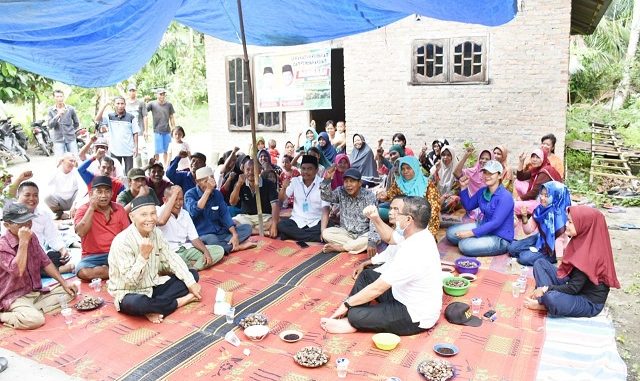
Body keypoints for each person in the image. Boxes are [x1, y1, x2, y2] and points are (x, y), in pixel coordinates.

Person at [320, 197, 442, 336]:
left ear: (408, 220)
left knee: (355, 314)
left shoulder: (413, 250)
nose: (394, 214)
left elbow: (378, 288)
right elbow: (390, 237)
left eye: (398, 212)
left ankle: (352, 320)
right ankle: (354, 315)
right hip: (401, 294)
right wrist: (375, 218)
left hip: (414, 315)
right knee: (367, 275)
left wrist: (347, 304)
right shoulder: (419, 233)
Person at [108, 195, 201, 324]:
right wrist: (143, 257)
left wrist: (190, 282)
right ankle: (179, 302)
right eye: (144, 215)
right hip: (128, 292)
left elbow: (171, 258)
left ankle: (154, 308)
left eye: (153, 214)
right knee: (139, 304)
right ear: (132, 217)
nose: (150, 219)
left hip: (152, 286)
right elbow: (130, 281)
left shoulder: (156, 233)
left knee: (192, 275)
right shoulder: (122, 241)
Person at [524, 206, 620, 317]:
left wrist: (546, 289)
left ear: (584, 224)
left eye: (570, 222)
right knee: (540, 263)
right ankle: (545, 299)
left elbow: (574, 288)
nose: (566, 225)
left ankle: (544, 303)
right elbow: (572, 278)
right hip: (574, 284)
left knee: (551, 297)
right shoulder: (583, 238)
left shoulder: (590, 253)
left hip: (587, 300)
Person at [0, 202, 78, 329]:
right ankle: (4, 315)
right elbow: (17, 271)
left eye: (28, 220)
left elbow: (45, 261)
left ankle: (30, 310)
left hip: (34, 291)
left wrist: (64, 283)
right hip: (13, 297)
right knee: (35, 321)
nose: (27, 225)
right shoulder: (2, 245)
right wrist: (23, 242)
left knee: (71, 292)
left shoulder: (32, 236)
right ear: (7, 225)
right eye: (20, 223)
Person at [446, 160, 514, 257]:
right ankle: (479, 238)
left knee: (464, 245)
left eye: (491, 173)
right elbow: (469, 206)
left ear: (499, 175)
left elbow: (495, 223)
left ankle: (479, 240)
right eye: (485, 172)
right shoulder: (483, 191)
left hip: (499, 237)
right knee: (450, 233)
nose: (487, 176)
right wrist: (464, 187)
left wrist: (471, 233)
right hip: (483, 225)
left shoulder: (505, 197)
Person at [8, 177, 75, 275]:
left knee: (57, 256)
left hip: (39, 256)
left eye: (35, 195)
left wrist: (62, 249)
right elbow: (7, 196)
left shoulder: (43, 214)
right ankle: (58, 270)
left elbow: (52, 236)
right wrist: (20, 178)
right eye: (27, 195)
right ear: (18, 196)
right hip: (17, 256)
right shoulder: (11, 212)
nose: (32, 199)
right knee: (23, 267)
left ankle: (46, 270)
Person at [184, 167, 254, 254]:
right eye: (205, 181)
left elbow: (225, 215)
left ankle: (225, 246)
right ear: (197, 182)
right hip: (203, 235)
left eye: (212, 178)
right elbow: (194, 212)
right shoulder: (190, 194)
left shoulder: (217, 193)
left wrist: (234, 234)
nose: (210, 183)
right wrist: (208, 191)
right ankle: (234, 247)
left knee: (247, 228)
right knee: (212, 239)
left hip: (221, 233)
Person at [74, 176, 130, 280]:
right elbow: (81, 232)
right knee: (83, 273)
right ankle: (113, 271)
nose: (103, 195)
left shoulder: (119, 209)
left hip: (116, 253)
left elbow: (127, 235)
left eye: (107, 191)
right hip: (92, 257)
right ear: (91, 194)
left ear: (112, 194)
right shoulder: (83, 210)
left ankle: (108, 271)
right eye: (99, 192)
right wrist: (91, 208)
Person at [157, 186, 224, 271]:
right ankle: (190, 265)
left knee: (218, 250)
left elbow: (195, 239)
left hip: (186, 249)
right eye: (175, 199)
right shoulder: (158, 211)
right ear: (165, 200)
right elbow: (161, 221)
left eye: (180, 199)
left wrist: (206, 252)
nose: (178, 203)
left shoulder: (185, 214)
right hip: (170, 252)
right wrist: (174, 195)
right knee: (168, 263)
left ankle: (193, 268)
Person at [508, 182, 571, 266]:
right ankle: (532, 252)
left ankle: (545, 257)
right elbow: (528, 230)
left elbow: (559, 241)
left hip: (554, 249)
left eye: (546, 196)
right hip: (541, 239)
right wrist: (524, 217)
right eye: (541, 194)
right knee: (512, 249)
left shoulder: (561, 216)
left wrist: (559, 261)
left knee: (524, 258)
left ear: (556, 197)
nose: (542, 198)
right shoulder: (540, 209)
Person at [320, 168, 379, 255]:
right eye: (346, 181)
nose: (348, 185)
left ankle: (341, 247)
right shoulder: (341, 191)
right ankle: (355, 246)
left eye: (352, 181)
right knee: (326, 233)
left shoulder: (369, 196)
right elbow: (326, 197)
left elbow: (374, 220)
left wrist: (371, 241)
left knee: (371, 239)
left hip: (364, 233)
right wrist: (326, 180)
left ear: (360, 183)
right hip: (346, 233)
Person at [379, 156, 441, 236]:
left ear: (415, 168)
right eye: (403, 169)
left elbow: (434, 207)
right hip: (404, 217)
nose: (405, 171)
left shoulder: (427, 184)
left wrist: (420, 222)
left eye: (408, 168)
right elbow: (391, 195)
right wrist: (385, 196)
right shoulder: (399, 183)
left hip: (423, 220)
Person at [277, 155, 329, 242]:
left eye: (309, 169)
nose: (306, 171)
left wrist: (323, 230)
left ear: (316, 170)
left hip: (316, 221)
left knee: (329, 225)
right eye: (303, 168)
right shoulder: (295, 181)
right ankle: (314, 237)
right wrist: (283, 188)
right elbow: (281, 199)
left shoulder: (323, 184)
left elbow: (325, 209)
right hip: (297, 221)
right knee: (281, 225)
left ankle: (293, 235)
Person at [230, 159, 280, 237]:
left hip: (264, 217)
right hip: (246, 217)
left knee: (277, 222)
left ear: (260, 170)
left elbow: (275, 205)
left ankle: (250, 230)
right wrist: (238, 185)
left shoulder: (269, 184)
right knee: (232, 223)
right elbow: (232, 202)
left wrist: (274, 224)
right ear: (243, 170)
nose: (250, 172)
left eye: (254, 169)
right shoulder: (240, 184)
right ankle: (260, 231)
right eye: (248, 169)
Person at [95, 96, 139, 173]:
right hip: (115, 150)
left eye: (122, 103)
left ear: (125, 104)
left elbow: (135, 133)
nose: (120, 106)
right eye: (118, 103)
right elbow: (97, 119)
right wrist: (105, 105)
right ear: (114, 105)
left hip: (128, 150)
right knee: (115, 172)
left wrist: (136, 147)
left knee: (129, 173)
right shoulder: (110, 116)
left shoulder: (131, 117)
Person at [515, 148, 562, 215]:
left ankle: (531, 207)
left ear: (543, 159)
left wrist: (521, 198)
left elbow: (535, 191)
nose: (534, 159)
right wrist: (521, 161)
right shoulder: (536, 169)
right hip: (537, 196)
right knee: (518, 182)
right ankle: (526, 201)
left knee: (514, 206)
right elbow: (520, 177)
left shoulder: (545, 171)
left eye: (538, 157)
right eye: (533, 157)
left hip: (545, 202)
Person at [44, 153, 81, 219]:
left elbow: (81, 190)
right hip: (60, 201)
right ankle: (60, 213)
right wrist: (57, 165)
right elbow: (48, 182)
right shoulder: (57, 172)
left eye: (74, 161)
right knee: (47, 197)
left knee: (83, 193)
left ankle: (76, 212)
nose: (72, 163)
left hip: (73, 200)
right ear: (62, 161)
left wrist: (75, 205)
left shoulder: (76, 172)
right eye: (70, 161)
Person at [146, 88, 176, 165]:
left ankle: (166, 166)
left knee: (167, 150)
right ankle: (156, 165)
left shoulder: (169, 105)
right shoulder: (152, 104)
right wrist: (145, 101)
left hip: (167, 130)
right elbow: (144, 111)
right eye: (160, 94)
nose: (162, 96)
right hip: (157, 131)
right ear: (156, 95)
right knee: (157, 151)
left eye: (163, 94)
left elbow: (171, 117)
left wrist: (174, 128)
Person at [47, 89, 80, 156]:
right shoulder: (51, 110)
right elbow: (50, 125)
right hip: (58, 140)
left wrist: (71, 131)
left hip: (70, 139)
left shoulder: (70, 109)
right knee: (60, 161)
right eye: (57, 97)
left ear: (63, 97)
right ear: (54, 98)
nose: (59, 98)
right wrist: (58, 115)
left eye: (61, 96)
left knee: (75, 159)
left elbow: (76, 123)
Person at [430, 145, 460, 214]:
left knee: (454, 199)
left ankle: (436, 210)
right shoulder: (436, 167)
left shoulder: (456, 169)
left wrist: (445, 196)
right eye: (443, 155)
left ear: (452, 156)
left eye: (449, 155)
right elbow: (430, 185)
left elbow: (456, 190)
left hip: (447, 198)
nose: (445, 157)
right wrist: (436, 171)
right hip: (436, 197)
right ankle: (435, 209)